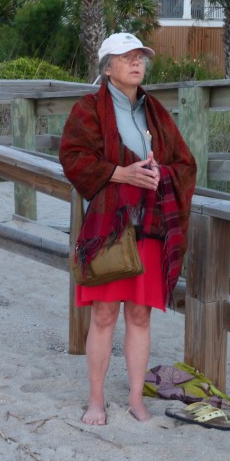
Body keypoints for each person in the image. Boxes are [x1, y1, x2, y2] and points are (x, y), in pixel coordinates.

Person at [59, 32, 197, 425]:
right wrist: (121, 173)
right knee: (103, 314)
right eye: (126, 57)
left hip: (150, 227)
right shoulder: (88, 108)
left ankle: (136, 399)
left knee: (139, 316)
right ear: (107, 67)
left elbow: (186, 164)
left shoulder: (155, 112)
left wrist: (159, 173)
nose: (136, 63)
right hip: (109, 229)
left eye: (140, 57)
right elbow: (73, 157)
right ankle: (96, 401)